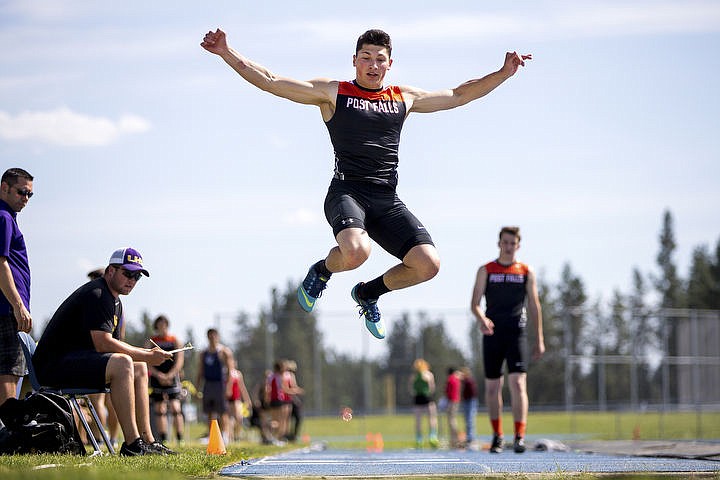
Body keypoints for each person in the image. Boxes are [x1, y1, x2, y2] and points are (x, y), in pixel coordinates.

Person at [201, 28, 531, 340]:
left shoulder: (404, 97)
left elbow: (459, 94)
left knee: (428, 264)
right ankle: (321, 271)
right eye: (366, 56)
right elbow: (272, 81)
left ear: (390, 63)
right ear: (354, 60)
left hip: (386, 198)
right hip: (347, 192)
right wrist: (226, 52)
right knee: (358, 251)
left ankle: (368, 293)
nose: (373, 64)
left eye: (380, 58)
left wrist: (502, 73)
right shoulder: (333, 92)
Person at [32, 247, 176, 456]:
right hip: (53, 367)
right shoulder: (98, 293)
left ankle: (148, 440)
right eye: (127, 273)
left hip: (72, 361)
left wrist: (144, 359)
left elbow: (112, 346)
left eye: (137, 276)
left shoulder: (115, 300)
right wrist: (148, 355)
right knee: (125, 363)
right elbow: (103, 344)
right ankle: (132, 444)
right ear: (110, 271)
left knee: (138, 368)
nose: (132, 280)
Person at [470, 226, 545, 453]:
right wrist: (482, 318)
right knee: (493, 387)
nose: (509, 247)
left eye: (513, 243)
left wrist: (539, 338)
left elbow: (534, 304)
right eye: (505, 242)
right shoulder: (486, 270)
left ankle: (519, 436)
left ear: (518, 245)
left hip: (517, 333)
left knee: (518, 383)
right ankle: (497, 436)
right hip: (492, 334)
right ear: (499, 244)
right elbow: (474, 304)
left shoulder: (525, 271)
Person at [0, 168, 33, 408]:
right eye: (22, 192)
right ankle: (7, 432)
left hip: (7, 307)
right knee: (9, 369)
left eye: (30, 194)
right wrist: (18, 305)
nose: (26, 198)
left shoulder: (8, 217)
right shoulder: (3, 217)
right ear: (4, 187)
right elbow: (0, 263)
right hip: (6, 308)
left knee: (10, 368)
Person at [147, 315, 185, 445]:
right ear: (156, 325)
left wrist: (170, 375)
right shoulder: (152, 341)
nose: (162, 326)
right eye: (159, 324)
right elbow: (147, 360)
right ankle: (164, 438)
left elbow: (179, 360)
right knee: (160, 409)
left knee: (175, 408)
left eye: (164, 324)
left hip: (172, 378)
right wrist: (158, 375)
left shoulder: (174, 340)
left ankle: (180, 438)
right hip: (157, 378)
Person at [197, 328, 234, 442]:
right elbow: (200, 371)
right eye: (210, 336)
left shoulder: (224, 352)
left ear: (217, 336)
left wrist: (228, 387)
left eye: (214, 336)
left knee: (222, 411)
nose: (212, 338)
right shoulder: (204, 353)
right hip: (208, 384)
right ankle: (211, 435)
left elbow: (230, 371)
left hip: (220, 384)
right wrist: (198, 387)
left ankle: (225, 435)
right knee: (209, 412)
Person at [409, 358, 438, 449]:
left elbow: (411, 389)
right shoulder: (429, 375)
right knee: (431, 418)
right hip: (427, 398)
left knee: (418, 420)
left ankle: (419, 439)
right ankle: (432, 436)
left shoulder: (413, 376)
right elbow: (432, 388)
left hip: (418, 398)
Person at [225, 362, 251, 442]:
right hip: (228, 399)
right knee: (229, 419)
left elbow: (242, 387)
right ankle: (230, 436)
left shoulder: (237, 374)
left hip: (236, 399)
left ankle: (236, 434)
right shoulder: (225, 372)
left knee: (239, 417)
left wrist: (247, 399)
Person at [284, 360, 304, 442]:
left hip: (289, 400)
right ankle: (290, 435)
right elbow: (292, 389)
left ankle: (291, 435)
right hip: (288, 400)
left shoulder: (287, 375)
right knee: (289, 419)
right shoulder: (289, 376)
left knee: (288, 419)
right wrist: (298, 391)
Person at [460, 366, 478, 449]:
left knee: (470, 419)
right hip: (466, 401)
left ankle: (470, 438)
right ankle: (468, 437)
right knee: (467, 420)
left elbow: (472, 392)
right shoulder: (464, 381)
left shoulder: (469, 381)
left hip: (471, 401)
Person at [445, 366, 463, 449]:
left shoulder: (450, 379)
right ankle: (454, 439)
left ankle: (454, 440)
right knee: (453, 420)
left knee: (451, 421)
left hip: (451, 401)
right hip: (456, 400)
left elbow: (447, 391)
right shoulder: (456, 379)